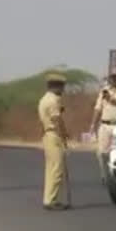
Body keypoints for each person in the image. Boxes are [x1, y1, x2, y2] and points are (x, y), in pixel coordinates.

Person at [90, 71, 116, 184]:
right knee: (102, 153)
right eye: (112, 78)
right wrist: (93, 124)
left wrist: (111, 99)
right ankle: (105, 175)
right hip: (105, 125)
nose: (114, 80)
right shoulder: (104, 91)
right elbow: (98, 108)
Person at [38, 72, 70, 210]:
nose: (63, 90)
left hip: (47, 135)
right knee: (57, 170)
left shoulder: (44, 99)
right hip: (54, 135)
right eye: (61, 87)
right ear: (55, 87)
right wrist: (64, 135)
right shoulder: (53, 100)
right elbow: (57, 120)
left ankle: (48, 199)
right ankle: (51, 200)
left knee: (50, 169)